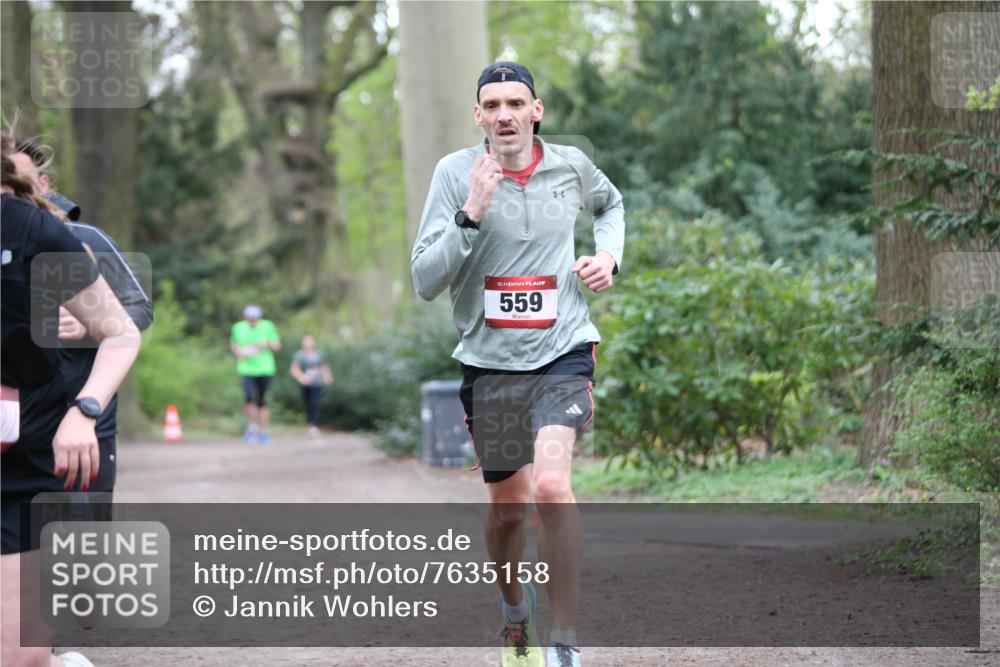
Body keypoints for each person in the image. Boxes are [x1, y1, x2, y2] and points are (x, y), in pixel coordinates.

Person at [411, 62, 624, 667]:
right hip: (491, 364)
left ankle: (564, 639)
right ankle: (513, 614)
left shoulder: (570, 166)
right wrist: (470, 213)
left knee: (552, 488)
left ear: (537, 111)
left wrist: (608, 256)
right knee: (508, 512)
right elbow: (425, 280)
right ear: (477, 115)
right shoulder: (454, 175)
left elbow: (611, 205)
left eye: (515, 103)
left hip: (562, 350)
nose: (505, 114)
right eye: (492, 105)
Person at [1, 130, 142, 667]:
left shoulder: (43, 233)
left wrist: (85, 411)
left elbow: (124, 327)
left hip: (25, 460)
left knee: (22, 658)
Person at [12, 136, 153, 496]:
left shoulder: (86, 239)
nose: (13, 191)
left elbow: (138, 309)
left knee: (84, 527)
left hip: (86, 418)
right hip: (19, 425)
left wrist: (87, 326)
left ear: (43, 183)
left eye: (21, 180)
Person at [230, 305, 281, 444]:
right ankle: (251, 428)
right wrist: (238, 351)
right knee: (248, 398)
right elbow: (234, 344)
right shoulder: (238, 327)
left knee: (262, 401)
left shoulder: (267, 326)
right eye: (250, 318)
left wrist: (267, 344)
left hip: (265, 369)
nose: (252, 321)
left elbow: (277, 345)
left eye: (255, 318)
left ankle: (263, 431)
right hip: (246, 368)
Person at [290, 334, 333, 439]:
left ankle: (314, 426)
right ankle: (311, 424)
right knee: (309, 404)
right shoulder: (299, 355)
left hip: (317, 383)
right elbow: (294, 369)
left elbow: (323, 366)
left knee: (315, 403)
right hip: (306, 384)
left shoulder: (319, 354)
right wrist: (301, 378)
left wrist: (327, 376)